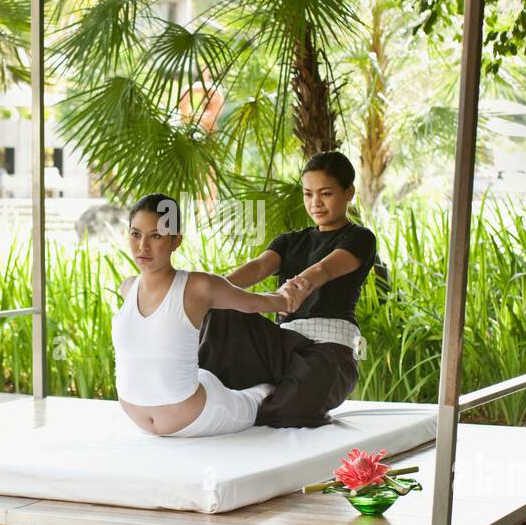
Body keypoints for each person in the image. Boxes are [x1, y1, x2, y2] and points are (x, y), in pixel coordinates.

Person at [199, 150, 377, 427]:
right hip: (281, 346)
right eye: (308, 194)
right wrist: (210, 289)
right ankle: (246, 392)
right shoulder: (290, 240)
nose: (315, 202)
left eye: (326, 193)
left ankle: (268, 397)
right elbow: (258, 267)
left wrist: (296, 286)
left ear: (349, 192)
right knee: (221, 310)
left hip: (328, 352)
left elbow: (325, 269)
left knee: (289, 410)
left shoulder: (359, 238)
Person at [111, 192, 305, 438]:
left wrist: (286, 298)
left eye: (156, 236)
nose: (142, 246)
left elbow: (251, 304)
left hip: (198, 415)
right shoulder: (127, 288)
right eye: (135, 234)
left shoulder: (198, 286)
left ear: (175, 241)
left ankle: (267, 386)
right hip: (144, 417)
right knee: (204, 373)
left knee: (261, 394)